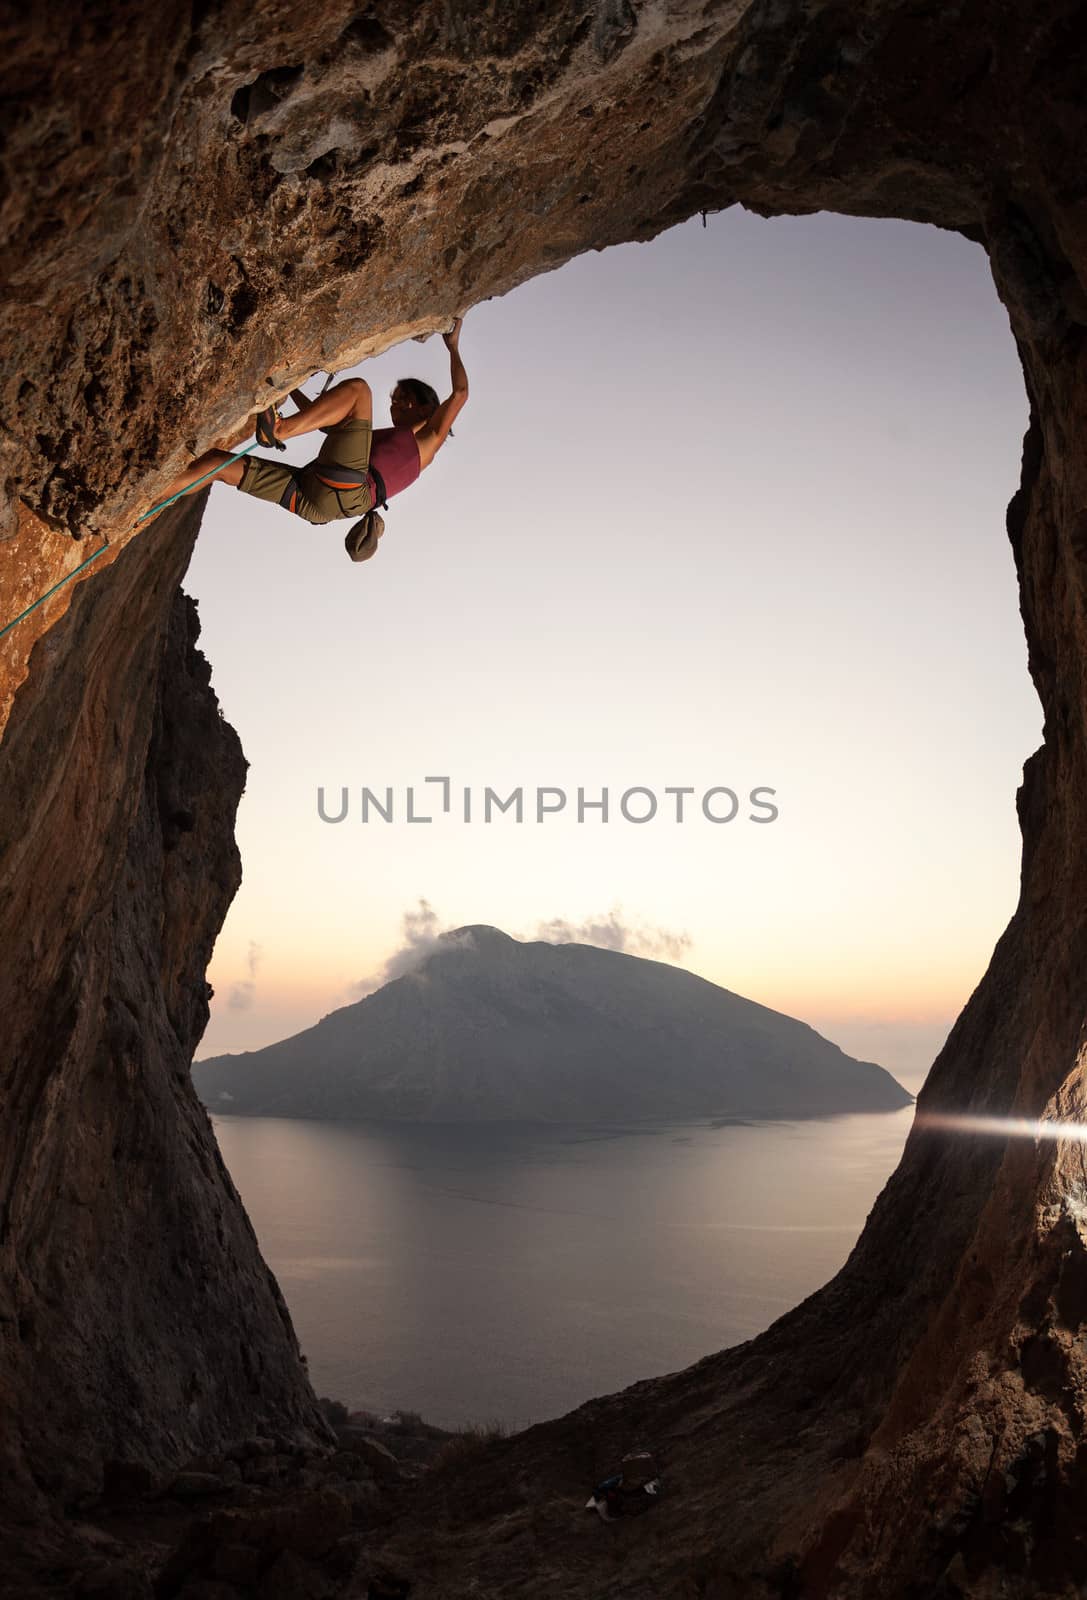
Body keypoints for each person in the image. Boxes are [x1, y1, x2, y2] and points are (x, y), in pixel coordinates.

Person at [154, 315, 468, 527]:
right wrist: (294, 388)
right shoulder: (381, 445)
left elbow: (461, 393)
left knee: (359, 391)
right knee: (216, 464)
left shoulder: (428, 443)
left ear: (426, 408)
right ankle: (144, 508)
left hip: (346, 489)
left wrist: (453, 347)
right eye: (395, 399)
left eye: (403, 399)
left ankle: (279, 428)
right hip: (319, 504)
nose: (395, 405)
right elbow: (329, 425)